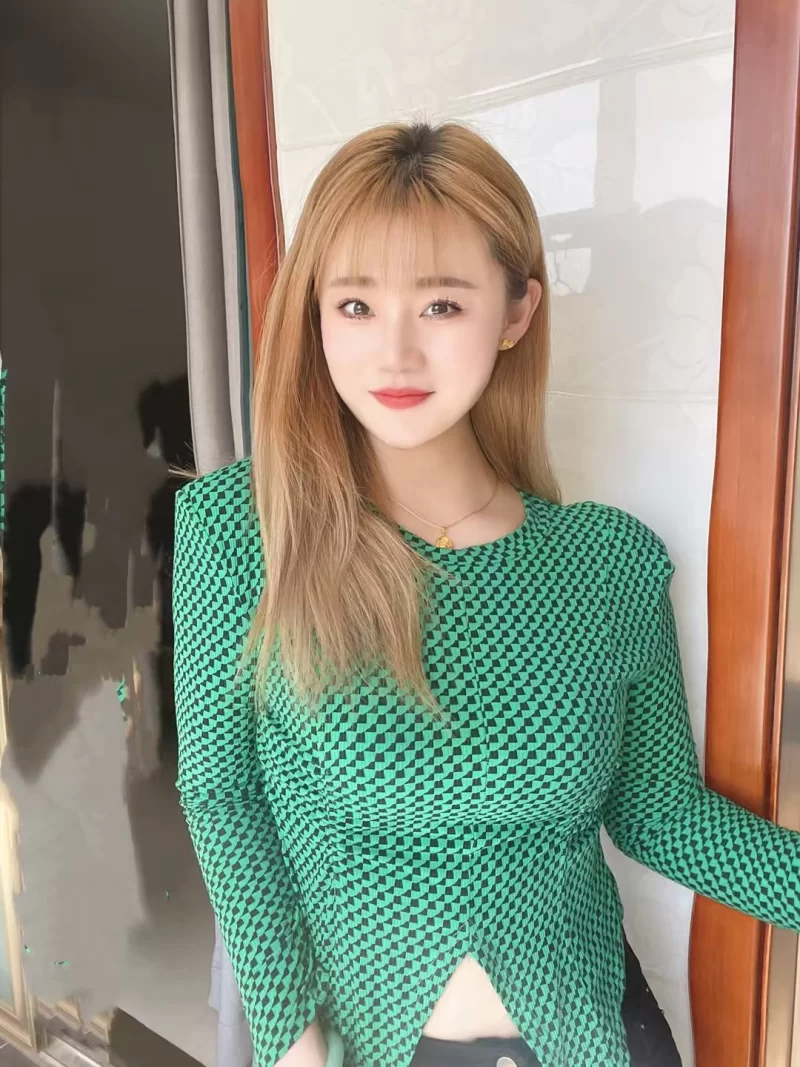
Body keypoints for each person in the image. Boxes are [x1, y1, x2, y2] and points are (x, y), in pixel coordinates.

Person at [171, 120, 800, 1067]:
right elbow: (223, 795)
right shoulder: (244, 532)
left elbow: (660, 814)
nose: (395, 354)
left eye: (440, 305)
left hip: (596, 1036)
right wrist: (290, 1039)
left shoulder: (607, 562)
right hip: (363, 1045)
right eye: (355, 305)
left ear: (515, 311)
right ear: (313, 315)